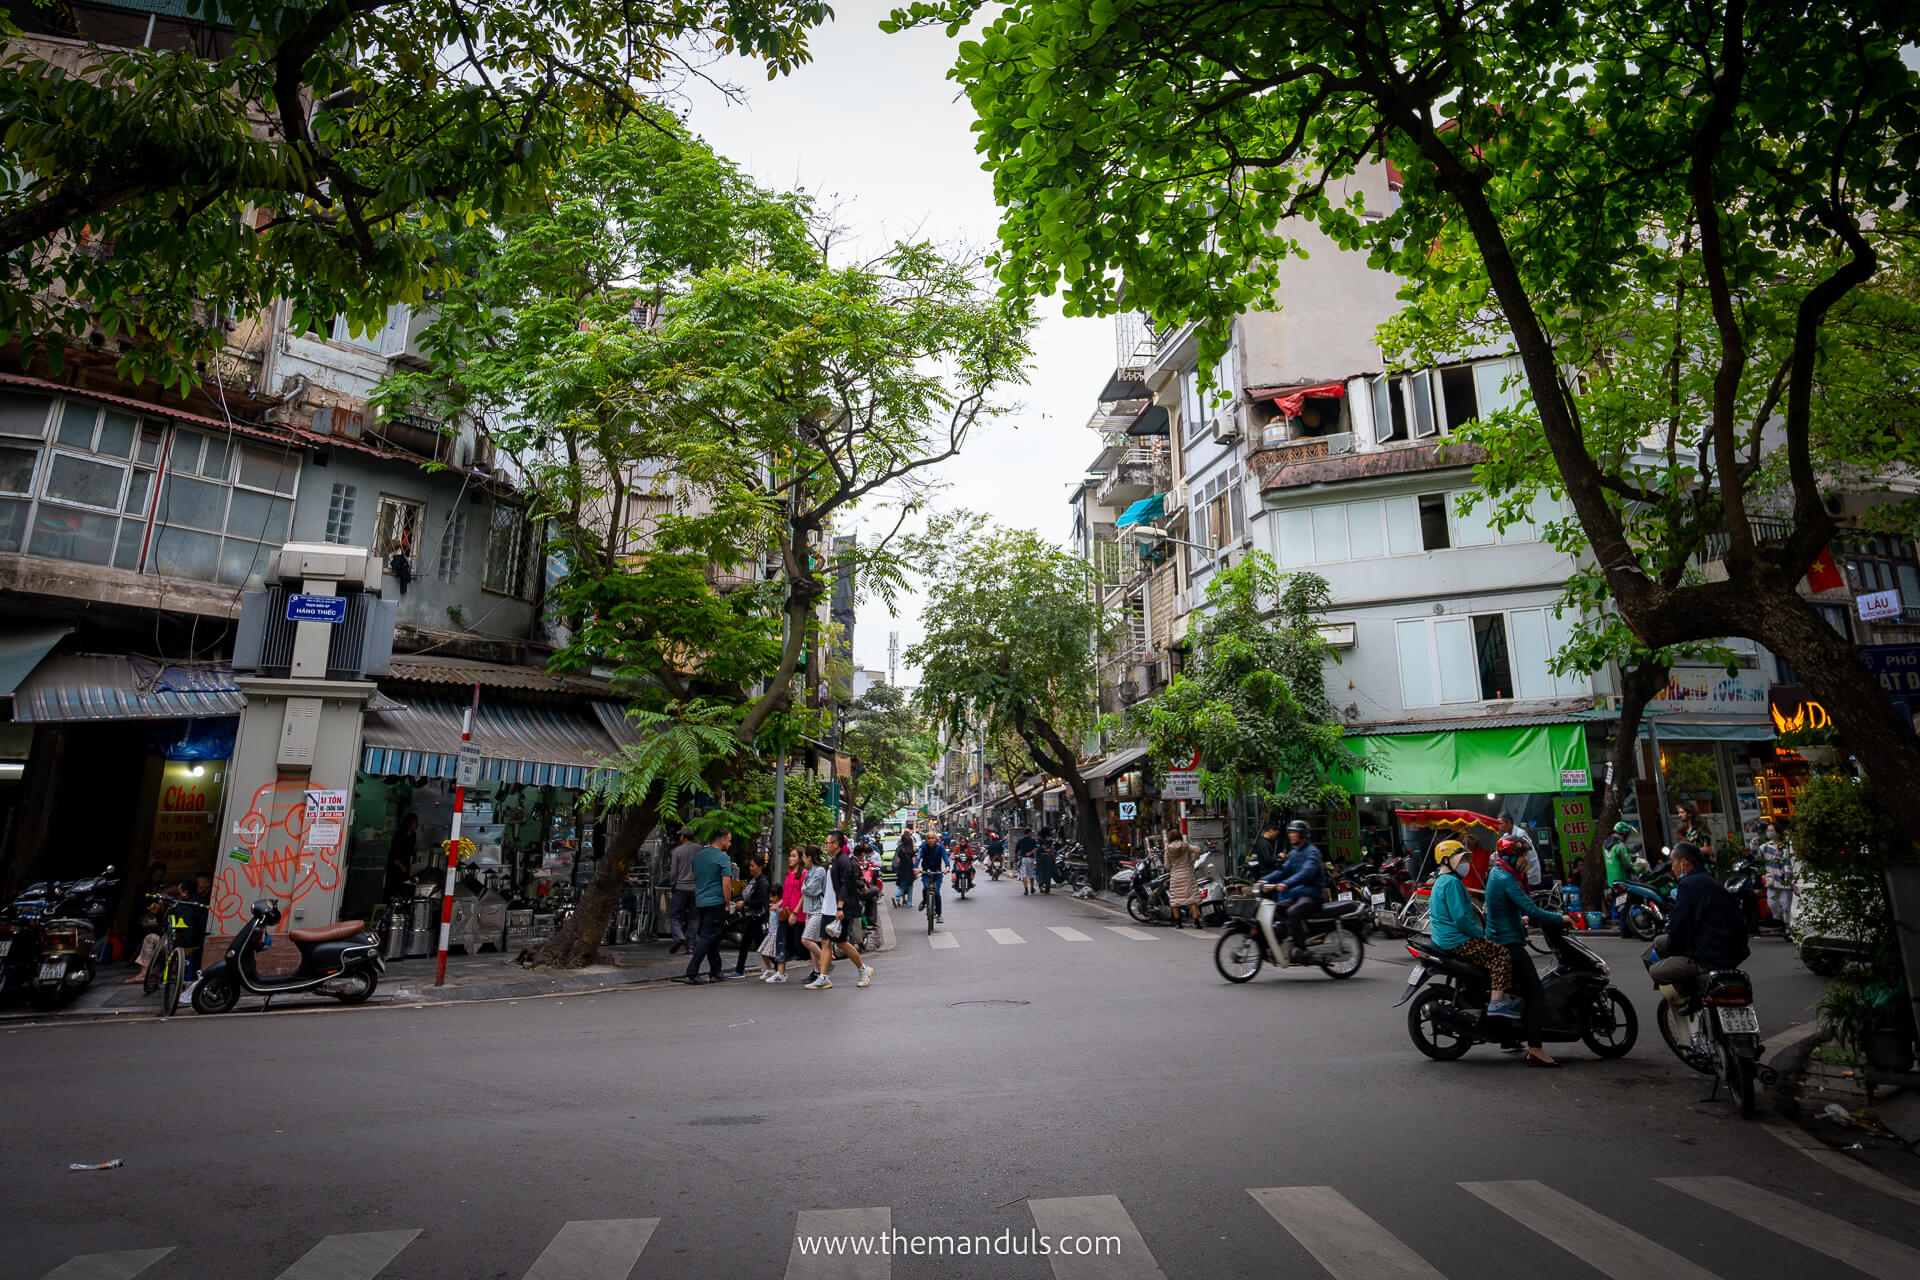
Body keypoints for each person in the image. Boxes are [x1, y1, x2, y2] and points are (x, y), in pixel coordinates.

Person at [1484, 835, 1582, 1067]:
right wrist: (1560, 919)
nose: (1526, 860)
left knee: (1519, 990)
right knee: (1536, 992)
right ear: (1511, 856)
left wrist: (1522, 920)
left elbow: (1510, 910)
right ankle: (1536, 1048)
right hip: (1508, 943)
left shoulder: (1498, 873)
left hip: (1502, 936)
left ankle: (1511, 1037)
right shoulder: (1506, 878)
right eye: (1523, 855)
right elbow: (1532, 909)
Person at [1647, 841, 1751, 1007]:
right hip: (1732, 948)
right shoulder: (1708, 880)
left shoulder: (1689, 884)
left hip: (1710, 954)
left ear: (1684, 862)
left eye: (1673, 862)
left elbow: (1680, 925)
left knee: (1656, 971)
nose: (1672, 868)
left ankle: (1691, 997)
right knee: (1660, 941)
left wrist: (1678, 950)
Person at [1427, 840, 1515, 1012]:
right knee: (1501, 955)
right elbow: (1461, 918)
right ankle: (1497, 1003)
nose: (1465, 865)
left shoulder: (1439, 881)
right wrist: (1479, 932)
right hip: (1456, 940)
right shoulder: (1452, 883)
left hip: (1443, 939)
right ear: (1447, 861)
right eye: (1461, 860)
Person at [1259, 820, 1325, 964]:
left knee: (1293, 912)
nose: (1290, 835)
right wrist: (1264, 880)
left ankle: (1301, 948)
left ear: (1302, 834)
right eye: (1290, 832)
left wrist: (1286, 884)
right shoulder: (1294, 853)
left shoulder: (1312, 852)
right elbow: (1283, 871)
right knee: (1276, 908)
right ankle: (1288, 938)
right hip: (1298, 894)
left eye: (1293, 832)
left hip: (1312, 895)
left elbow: (1306, 873)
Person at [679, 830, 735, 985]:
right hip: (715, 901)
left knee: (713, 937)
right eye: (729, 841)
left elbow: (693, 877)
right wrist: (726, 903)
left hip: (700, 900)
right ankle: (691, 972)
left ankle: (716, 971)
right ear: (722, 840)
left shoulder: (699, 856)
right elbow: (726, 882)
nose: (730, 844)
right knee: (707, 937)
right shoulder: (723, 858)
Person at [826, 832, 875, 988]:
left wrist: (840, 906)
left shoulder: (843, 861)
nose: (826, 845)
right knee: (835, 941)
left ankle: (863, 969)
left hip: (845, 906)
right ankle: (823, 974)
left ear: (835, 844)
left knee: (840, 942)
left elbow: (845, 885)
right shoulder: (836, 860)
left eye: (828, 842)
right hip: (838, 905)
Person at [766, 852, 807, 983]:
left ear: (800, 859)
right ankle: (781, 972)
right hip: (785, 913)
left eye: (794, 856)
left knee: (799, 945)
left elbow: (803, 894)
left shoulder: (803, 874)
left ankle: (822, 961)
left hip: (798, 915)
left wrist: (795, 913)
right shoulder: (788, 874)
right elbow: (785, 894)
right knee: (781, 941)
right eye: (790, 855)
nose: (790, 858)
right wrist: (778, 905)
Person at [799, 847, 834, 989]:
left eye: (804, 857)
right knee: (811, 940)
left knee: (806, 939)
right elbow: (806, 888)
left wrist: (804, 887)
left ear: (809, 857)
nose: (802, 860)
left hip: (818, 909)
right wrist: (804, 887)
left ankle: (826, 963)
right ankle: (818, 970)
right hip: (810, 909)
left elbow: (811, 890)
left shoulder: (819, 871)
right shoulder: (809, 871)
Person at [732, 852, 770, 978]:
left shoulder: (762, 883)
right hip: (752, 917)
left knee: (746, 943)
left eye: (753, 865)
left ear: (759, 867)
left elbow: (762, 901)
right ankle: (776, 966)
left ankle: (739, 971)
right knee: (762, 944)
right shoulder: (752, 881)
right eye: (750, 865)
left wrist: (745, 903)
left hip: (758, 917)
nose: (750, 867)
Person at [666, 827, 700, 955]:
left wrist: (672, 885)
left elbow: (673, 872)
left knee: (675, 915)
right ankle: (690, 946)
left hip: (680, 887)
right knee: (694, 917)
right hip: (696, 888)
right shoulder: (700, 849)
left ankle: (679, 936)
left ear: (682, 837)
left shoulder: (677, 851)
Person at [1759, 823, 1794, 929]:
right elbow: (1756, 853)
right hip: (1771, 881)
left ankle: (1787, 927)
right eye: (1768, 830)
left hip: (1783, 881)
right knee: (1772, 903)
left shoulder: (1785, 847)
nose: (1769, 833)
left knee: (1785, 905)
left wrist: (1787, 878)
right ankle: (1781, 922)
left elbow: (1788, 862)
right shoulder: (1765, 847)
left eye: (1771, 830)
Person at [1163, 834, 1202, 928]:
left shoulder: (1168, 849)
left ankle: (1178, 923)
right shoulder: (1185, 845)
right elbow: (1198, 850)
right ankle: (1197, 922)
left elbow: (1167, 866)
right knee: (1192, 899)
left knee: (1175, 900)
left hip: (1175, 876)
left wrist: (1173, 866)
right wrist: (1194, 860)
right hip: (1188, 874)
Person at [1498, 811, 1542, 888]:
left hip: (1530, 871)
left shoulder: (1521, 833)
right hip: (1520, 874)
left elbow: (1527, 846)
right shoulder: (1505, 836)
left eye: (1501, 824)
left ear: (1508, 822)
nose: (1499, 827)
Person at [385, 814, 419, 901]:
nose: (417, 824)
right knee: (393, 891)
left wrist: (414, 855)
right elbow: (393, 855)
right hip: (395, 868)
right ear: (409, 823)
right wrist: (402, 866)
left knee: (403, 891)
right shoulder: (399, 835)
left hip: (405, 867)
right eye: (415, 822)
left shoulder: (413, 835)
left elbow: (411, 848)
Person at [920, 830, 949, 923]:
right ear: (926, 840)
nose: (931, 840)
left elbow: (945, 858)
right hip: (926, 873)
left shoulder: (940, 848)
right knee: (925, 888)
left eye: (932, 838)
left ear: (936, 839)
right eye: (929, 838)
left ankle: (939, 914)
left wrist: (947, 867)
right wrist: (915, 868)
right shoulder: (923, 847)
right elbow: (918, 858)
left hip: (937, 873)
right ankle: (924, 902)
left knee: (936, 892)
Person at [893, 829, 918, 907]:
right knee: (909, 886)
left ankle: (905, 901)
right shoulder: (911, 851)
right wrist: (916, 871)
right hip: (909, 871)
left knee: (902, 886)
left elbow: (898, 861)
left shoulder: (900, 850)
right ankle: (897, 897)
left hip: (902, 871)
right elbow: (914, 863)